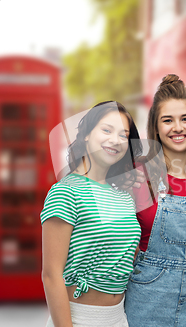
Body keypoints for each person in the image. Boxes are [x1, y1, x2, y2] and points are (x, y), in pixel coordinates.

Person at [124, 74, 186, 327]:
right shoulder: (137, 175)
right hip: (145, 301)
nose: (178, 128)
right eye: (168, 120)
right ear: (155, 127)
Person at [41, 101, 142, 327]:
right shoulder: (66, 191)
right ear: (86, 134)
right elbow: (51, 275)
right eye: (106, 130)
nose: (115, 140)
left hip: (119, 318)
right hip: (78, 319)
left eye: (123, 135)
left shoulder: (124, 197)